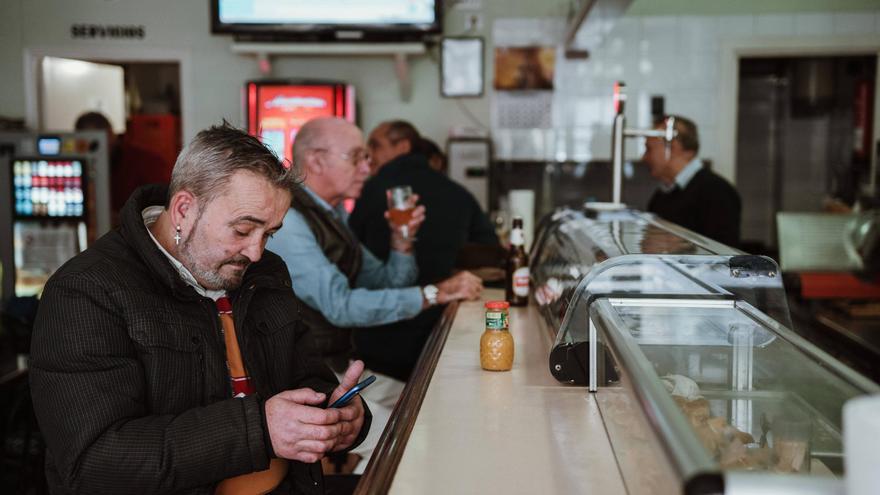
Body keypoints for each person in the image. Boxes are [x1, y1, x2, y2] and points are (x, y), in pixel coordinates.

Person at [30, 123, 370, 494]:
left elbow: (306, 376)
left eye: (268, 234)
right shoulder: (87, 291)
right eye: (242, 230)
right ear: (184, 210)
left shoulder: (265, 272)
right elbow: (95, 461)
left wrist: (342, 417)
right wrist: (258, 430)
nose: (256, 252)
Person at [266, 116, 483, 471]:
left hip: (339, 366)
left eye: (367, 157)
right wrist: (433, 292)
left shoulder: (333, 215)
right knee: (412, 435)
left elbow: (384, 282)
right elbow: (341, 307)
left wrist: (401, 242)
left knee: (433, 404)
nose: (368, 168)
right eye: (356, 157)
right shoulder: (290, 221)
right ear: (317, 160)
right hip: (306, 380)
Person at [348, 120, 499, 380]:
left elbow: (349, 254)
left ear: (403, 145)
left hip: (377, 331)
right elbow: (492, 253)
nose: (369, 155)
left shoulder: (371, 189)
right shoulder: (458, 193)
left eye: (375, 145)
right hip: (442, 323)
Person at [642, 114, 742, 247]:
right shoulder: (661, 195)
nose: (644, 157)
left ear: (673, 148)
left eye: (649, 149)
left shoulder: (717, 191)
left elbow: (724, 255)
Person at [74, 111, 169, 224]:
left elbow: (161, 209)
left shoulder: (146, 162)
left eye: (94, 145)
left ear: (110, 134)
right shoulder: (82, 168)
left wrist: (122, 218)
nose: (90, 153)